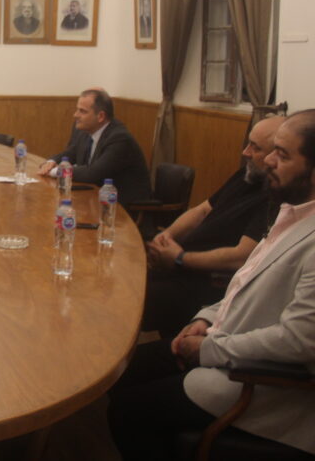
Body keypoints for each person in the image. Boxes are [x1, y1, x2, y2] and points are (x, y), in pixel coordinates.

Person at [108, 110, 315, 459]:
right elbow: (244, 283)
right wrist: (202, 319)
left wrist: (208, 348)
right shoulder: (292, 213)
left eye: (282, 154)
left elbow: (298, 342)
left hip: (258, 382)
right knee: (125, 370)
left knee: (128, 412)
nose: (268, 160)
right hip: (222, 338)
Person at [142, 115, 284, 340]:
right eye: (248, 143)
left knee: (126, 301)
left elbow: (241, 256)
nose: (245, 152)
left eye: (255, 147)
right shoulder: (246, 175)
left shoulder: (277, 197)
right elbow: (202, 210)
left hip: (204, 283)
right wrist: (166, 235)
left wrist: (180, 258)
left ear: (278, 155)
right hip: (180, 267)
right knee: (121, 282)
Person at [37, 89, 152, 204]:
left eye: (82, 111)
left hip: (122, 206)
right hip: (95, 198)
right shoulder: (87, 131)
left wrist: (55, 171)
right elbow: (71, 153)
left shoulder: (119, 138)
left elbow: (93, 173)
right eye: (77, 110)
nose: (75, 115)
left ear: (100, 116)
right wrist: (51, 162)